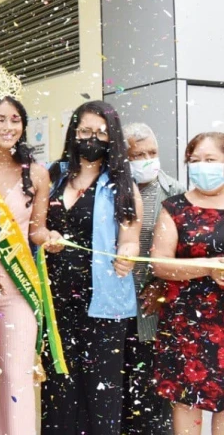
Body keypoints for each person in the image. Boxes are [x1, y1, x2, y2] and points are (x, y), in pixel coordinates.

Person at [0, 68, 63, 435]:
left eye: (15, 119)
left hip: (16, 290)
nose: (8, 127)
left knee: (17, 382)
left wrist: (48, 237)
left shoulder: (36, 173)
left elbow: (35, 230)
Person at [41, 100, 143, 435]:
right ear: (73, 133)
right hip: (54, 304)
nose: (92, 138)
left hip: (102, 305)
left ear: (112, 139)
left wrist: (127, 254)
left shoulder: (123, 187)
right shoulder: (52, 176)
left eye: (101, 133)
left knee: (102, 392)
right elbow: (34, 227)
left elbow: (130, 238)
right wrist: (45, 235)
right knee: (58, 390)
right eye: (85, 131)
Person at [151, 132, 224, 435]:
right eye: (195, 161)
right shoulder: (174, 208)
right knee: (186, 401)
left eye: (211, 160)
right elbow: (159, 263)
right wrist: (206, 268)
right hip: (187, 322)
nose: (202, 167)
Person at [121, 122, 183, 435]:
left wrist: (162, 284)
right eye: (138, 154)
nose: (147, 159)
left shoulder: (175, 192)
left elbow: (184, 252)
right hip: (118, 303)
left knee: (154, 393)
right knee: (121, 386)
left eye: (153, 152)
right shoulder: (114, 191)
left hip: (155, 309)